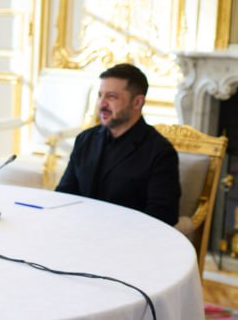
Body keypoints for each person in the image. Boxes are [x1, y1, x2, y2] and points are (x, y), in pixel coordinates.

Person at [55, 63, 181, 225]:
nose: (102, 104)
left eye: (112, 96)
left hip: (129, 237)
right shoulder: (85, 139)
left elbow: (163, 216)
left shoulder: (160, 152)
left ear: (137, 102)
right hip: (79, 229)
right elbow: (64, 194)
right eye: (100, 95)